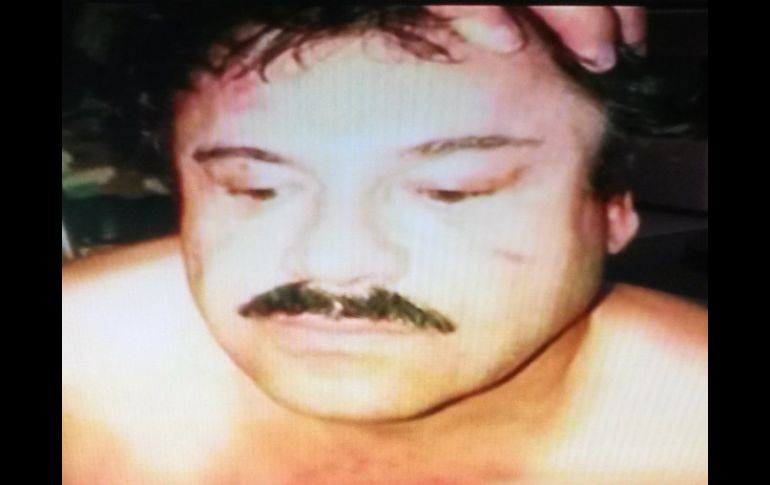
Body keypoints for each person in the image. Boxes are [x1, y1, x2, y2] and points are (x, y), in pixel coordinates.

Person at [62, 6, 707, 485]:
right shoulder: (81, 375)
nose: (333, 261)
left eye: (450, 191)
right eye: (256, 188)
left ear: (612, 210)